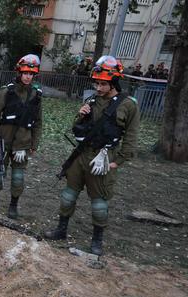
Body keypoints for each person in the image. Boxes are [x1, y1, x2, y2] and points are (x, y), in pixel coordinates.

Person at [44, 55, 140, 256]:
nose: (97, 87)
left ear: (113, 82)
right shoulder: (92, 99)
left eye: (102, 83)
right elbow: (76, 128)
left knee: (99, 203)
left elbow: (131, 138)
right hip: (82, 155)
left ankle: (97, 239)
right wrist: (81, 114)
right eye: (96, 83)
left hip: (104, 157)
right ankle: (61, 229)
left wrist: (116, 162)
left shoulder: (128, 105)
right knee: (68, 195)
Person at [0, 54, 43, 219]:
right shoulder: (7, 91)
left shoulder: (36, 95)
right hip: (4, 140)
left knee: (18, 177)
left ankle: (13, 206)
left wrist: (33, 145)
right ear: (19, 72)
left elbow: (38, 122)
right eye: (25, 73)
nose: (28, 77)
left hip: (23, 144)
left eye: (31, 74)